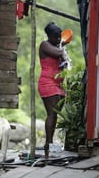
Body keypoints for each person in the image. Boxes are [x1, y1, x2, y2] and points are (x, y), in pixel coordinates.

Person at [38, 22, 69, 159]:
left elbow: (63, 64)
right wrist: (62, 45)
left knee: (55, 114)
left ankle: (49, 143)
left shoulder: (57, 45)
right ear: (49, 36)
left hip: (58, 83)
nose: (58, 39)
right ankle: (48, 143)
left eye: (59, 36)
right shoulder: (44, 45)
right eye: (55, 36)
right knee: (51, 113)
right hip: (47, 82)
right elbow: (59, 53)